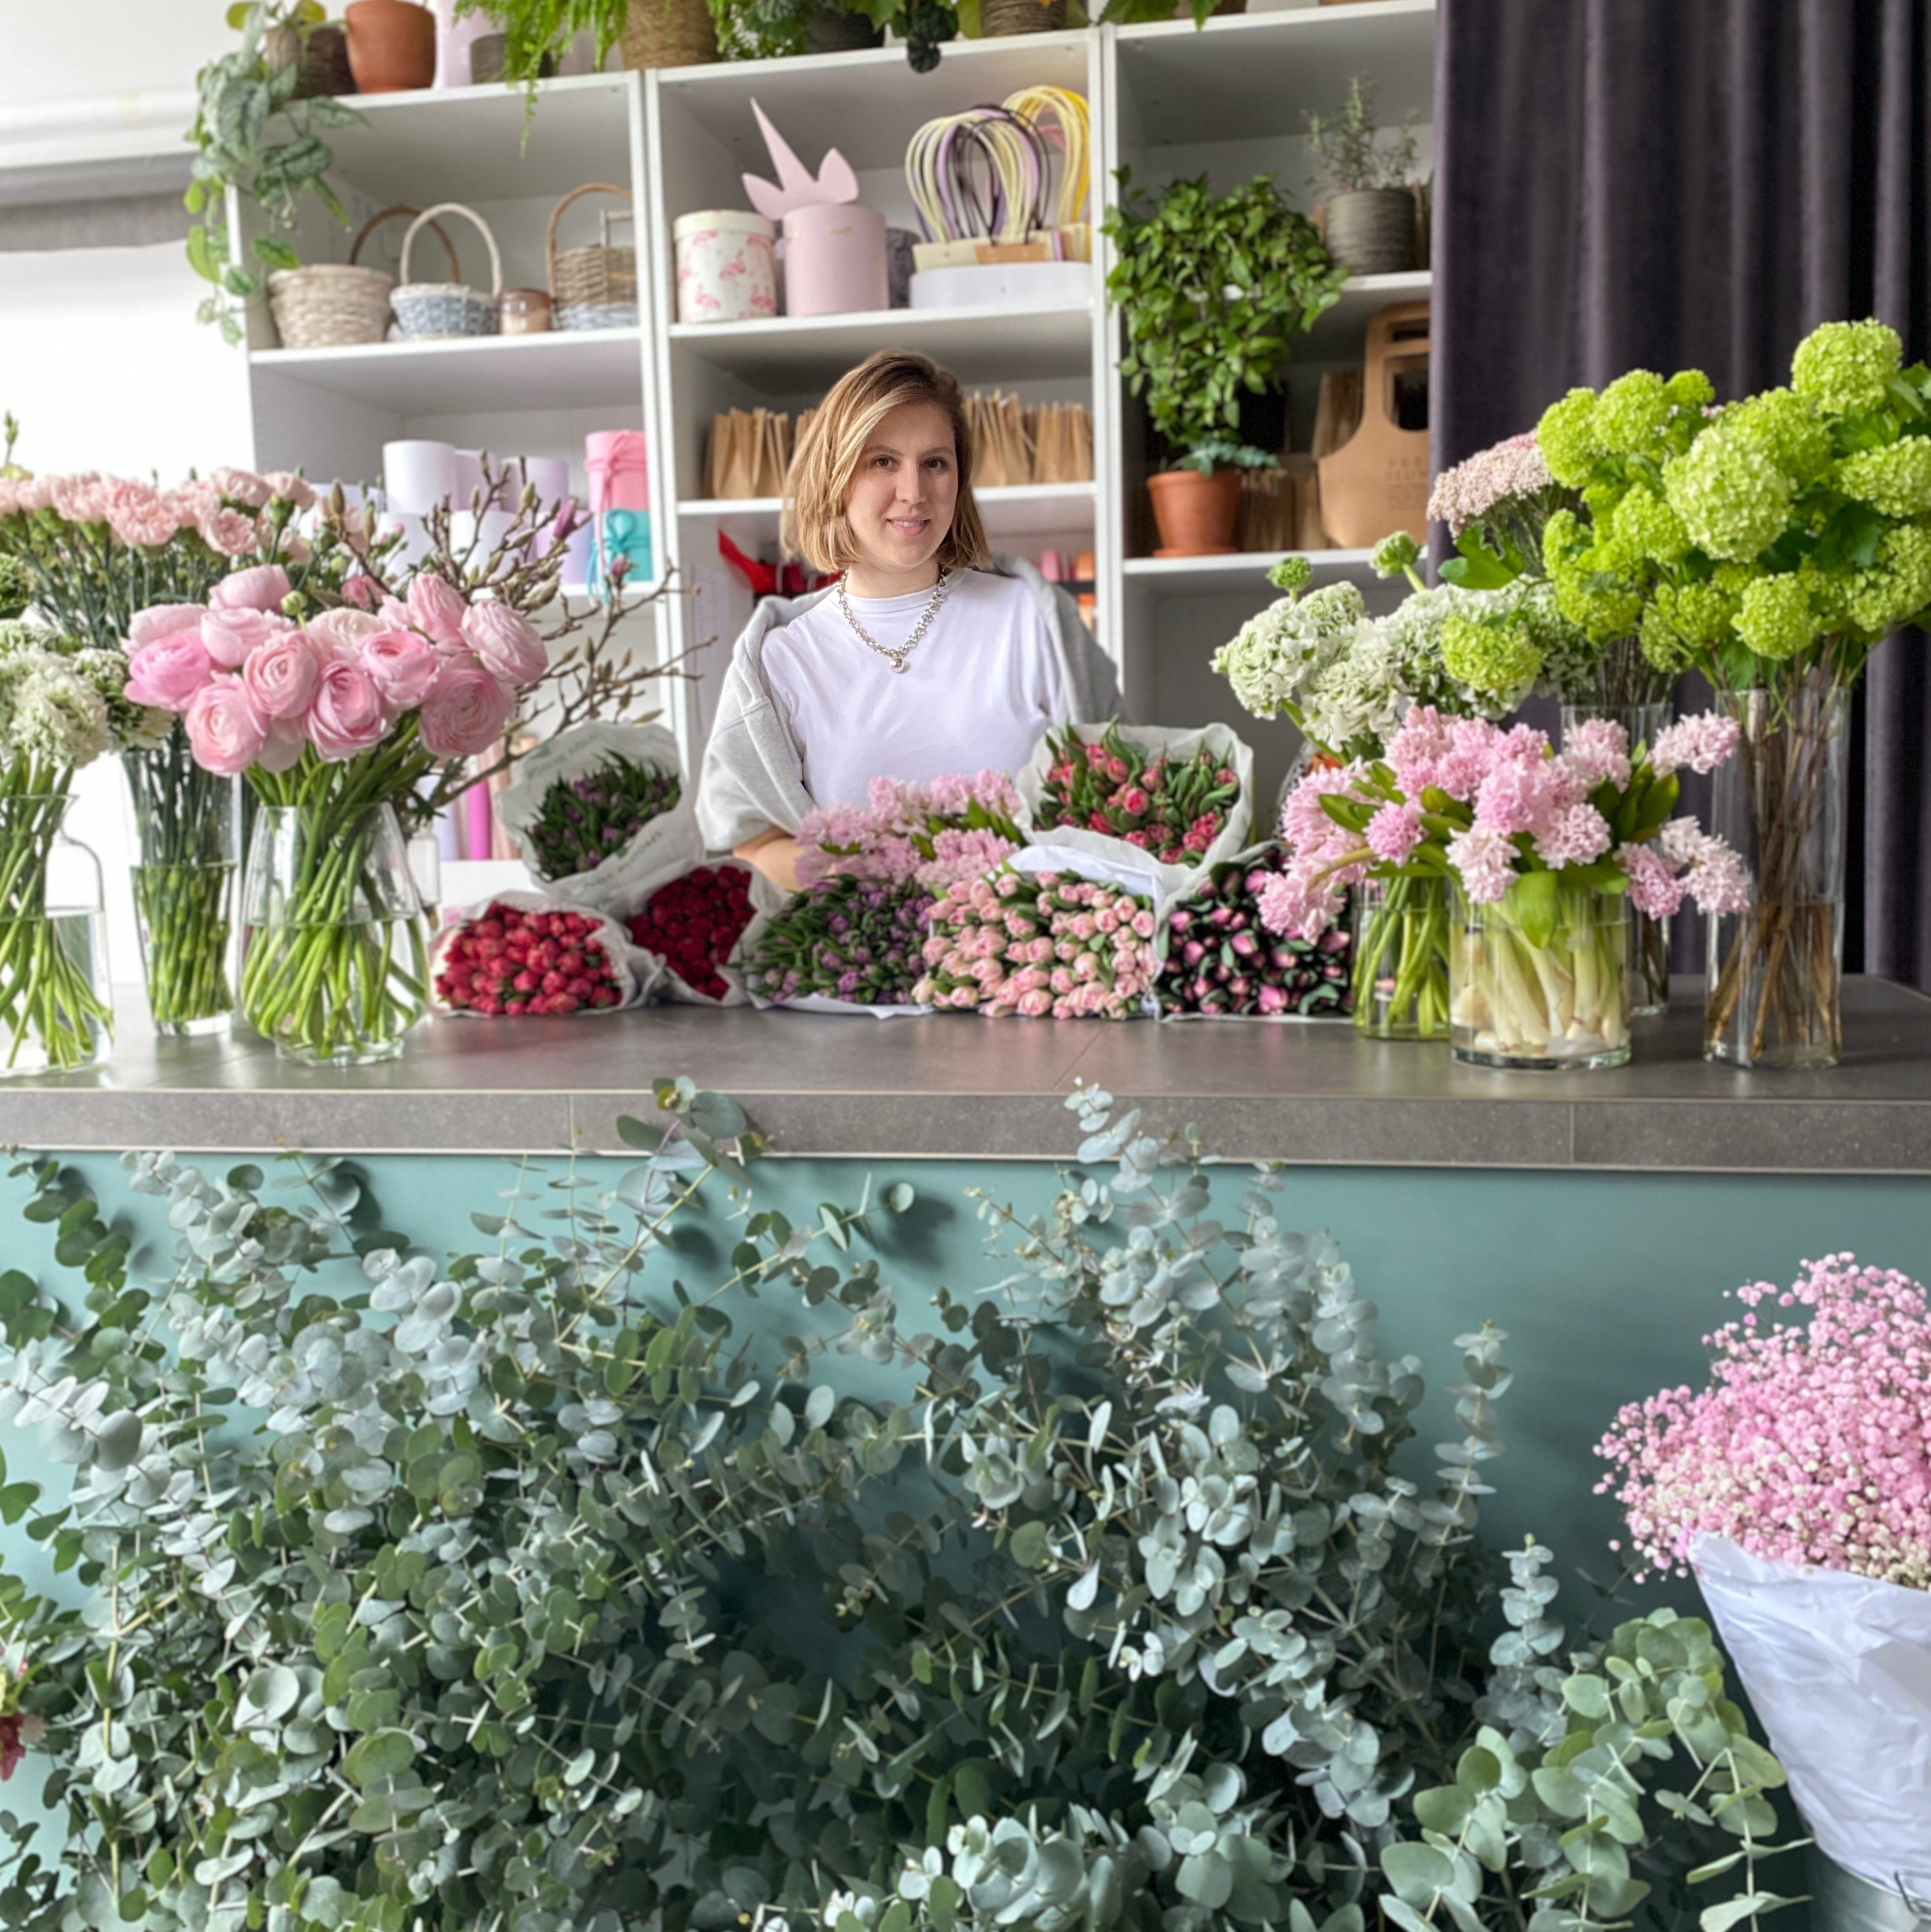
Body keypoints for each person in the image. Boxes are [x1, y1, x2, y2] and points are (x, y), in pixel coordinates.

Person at [696, 349, 1120, 890]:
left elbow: (1117, 797)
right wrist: (866, 875)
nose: (913, 493)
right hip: (866, 960)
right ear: (835, 476)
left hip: (1040, 958)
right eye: (882, 462)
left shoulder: (1034, 622)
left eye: (934, 463)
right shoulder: (780, 660)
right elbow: (750, 846)